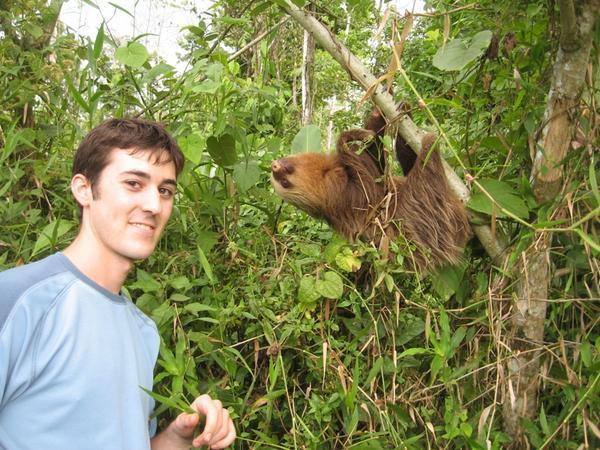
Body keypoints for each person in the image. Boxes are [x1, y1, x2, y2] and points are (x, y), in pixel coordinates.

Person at [0, 119, 236, 449]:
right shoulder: (17, 301)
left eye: (165, 190)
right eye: (134, 184)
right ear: (84, 189)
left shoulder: (143, 330)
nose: (154, 205)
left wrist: (178, 437)